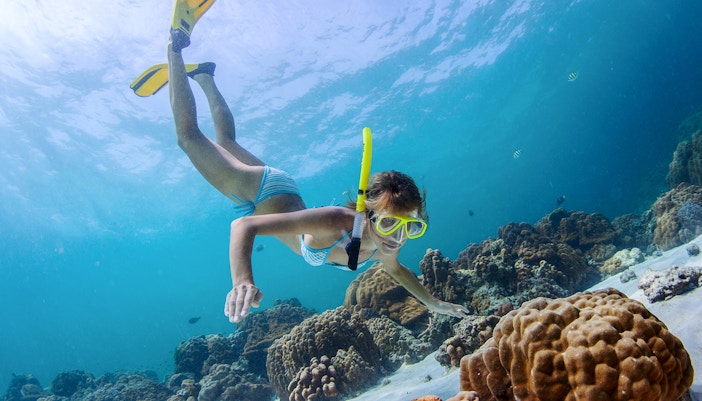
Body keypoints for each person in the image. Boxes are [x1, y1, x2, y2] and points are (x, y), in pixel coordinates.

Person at [166, 0, 470, 323]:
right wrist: (242, 280)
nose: (398, 236)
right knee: (187, 138)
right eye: (389, 223)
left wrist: (433, 303)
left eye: (411, 225)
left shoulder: (386, 242)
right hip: (263, 194)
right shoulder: (336, 223)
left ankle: (204, 76)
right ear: (366, 213)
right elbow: (244, 225)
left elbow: (396, 270)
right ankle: (175, 44)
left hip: (283, 192)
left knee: (226, 144)